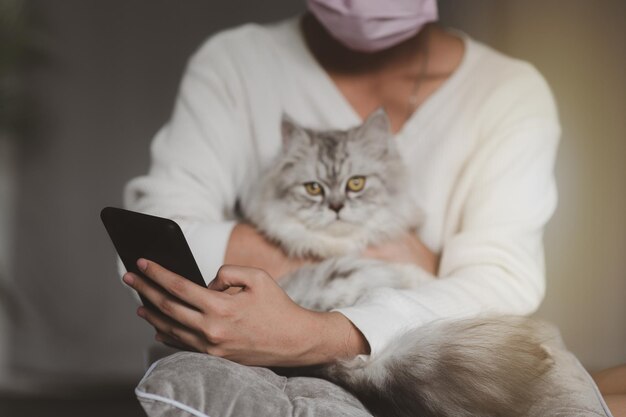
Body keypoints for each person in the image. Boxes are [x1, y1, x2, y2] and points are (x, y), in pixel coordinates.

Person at [122, 1, 625, 413]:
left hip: (418, 349)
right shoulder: (234, 60)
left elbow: (503, 282)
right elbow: (150, 246)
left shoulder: (510, 92)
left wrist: (316, 331)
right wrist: (415, 262)